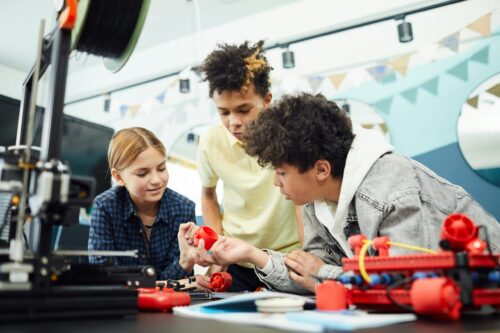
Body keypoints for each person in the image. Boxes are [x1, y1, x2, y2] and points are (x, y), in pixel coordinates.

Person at [190, 93, 500, 294]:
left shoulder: (390, 190)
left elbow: (406, 285)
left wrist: (323, 273)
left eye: (282, 173)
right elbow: (308, 274)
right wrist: (251, 254)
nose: (276, 183)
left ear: (321, 169)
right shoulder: (316, 198)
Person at [192, 40, 302, 291]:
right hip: (236, 260)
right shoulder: (210, 141)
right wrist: (216, 246)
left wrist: (308, 253)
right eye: (224, 112)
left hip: (285, 257)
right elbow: (208, 194)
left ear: (267, 100)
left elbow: (301, 201)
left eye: (243, 110)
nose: (233, 123)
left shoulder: (291, 136)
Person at [88, 127, 197, 281]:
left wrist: (185, 264)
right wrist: (180, 267)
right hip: (121, 302)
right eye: (142, 173)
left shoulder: (184, 209)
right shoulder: (105, 207)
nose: (156, 180)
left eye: (161, 168)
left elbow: (183, 281)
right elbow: (103, 273)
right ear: (119, 177)